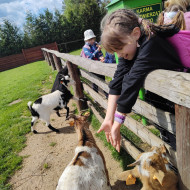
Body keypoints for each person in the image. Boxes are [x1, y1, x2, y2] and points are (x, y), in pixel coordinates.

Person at [97, 9, 184, 152]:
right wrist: (108, 118)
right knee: (171, 140)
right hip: (166, 101)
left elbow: (132, 82)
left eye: (120, 49)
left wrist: (118, 123)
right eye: (115, 51)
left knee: (181, 144)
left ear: (135, 34)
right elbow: (118, 80)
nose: (119, 55)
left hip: (179, 100)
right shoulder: (132, 46)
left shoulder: (151, 43)